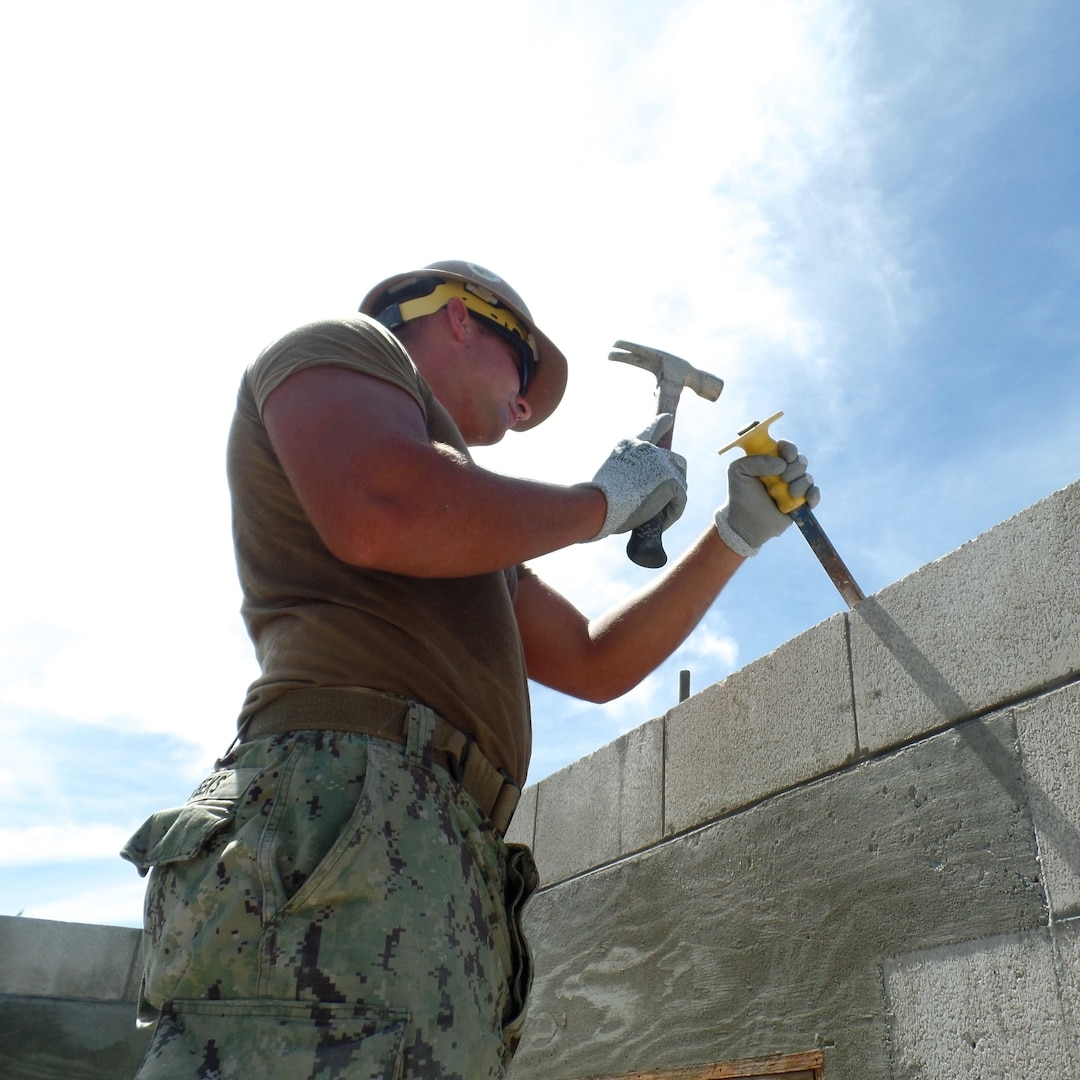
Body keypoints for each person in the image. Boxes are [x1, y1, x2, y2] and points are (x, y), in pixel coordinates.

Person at [122, 260, 818, 1079]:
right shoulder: (340, 346)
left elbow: (595, 661)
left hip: (437, 846)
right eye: (521, 368)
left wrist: (734, 534)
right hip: (343, 809)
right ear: (457, 314)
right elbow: (385, 510)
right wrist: (599, 504)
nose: (524, 405)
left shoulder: (470, 542)